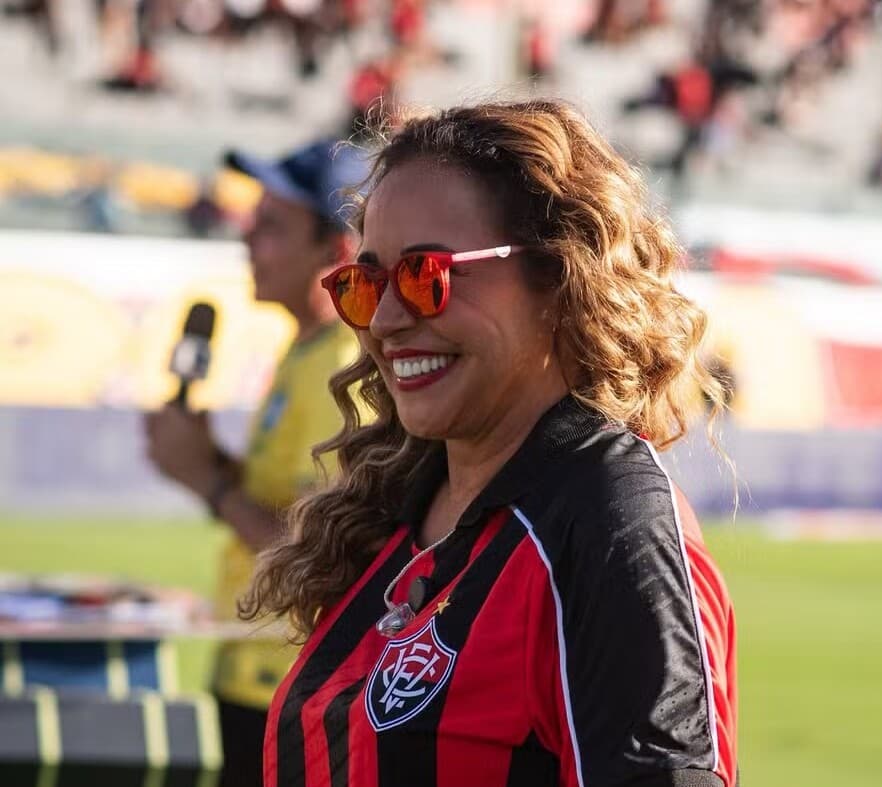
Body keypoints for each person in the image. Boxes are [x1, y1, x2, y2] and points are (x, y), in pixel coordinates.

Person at [242, 100, 739, 787]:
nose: (384, 320)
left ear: (558, 278)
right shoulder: (399, 502)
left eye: (425, 275)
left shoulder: (609, 516)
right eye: (367, 282)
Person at [144, 139, 367, 787]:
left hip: (289, 685)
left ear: (336, 252)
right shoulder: (305, 349)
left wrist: (208, 481)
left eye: (270, 226)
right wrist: (204, 457)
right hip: (258, 672)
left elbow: (319, 553)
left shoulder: (339, 361)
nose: (247, 240)